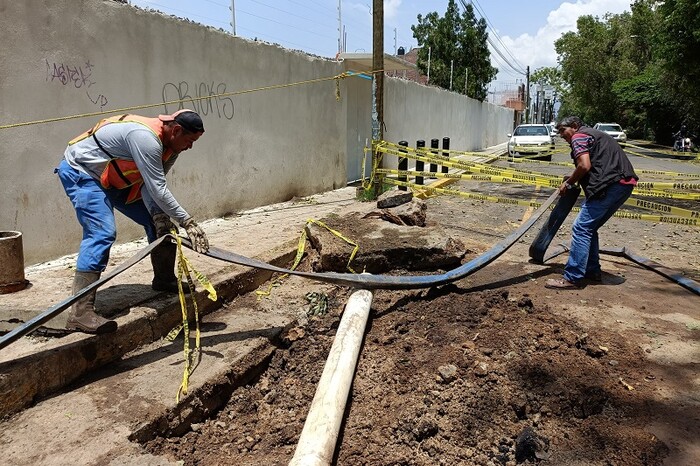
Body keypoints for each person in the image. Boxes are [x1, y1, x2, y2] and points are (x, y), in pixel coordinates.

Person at [55, 109, 210, 333]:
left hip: (112, 178)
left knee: (160, 224)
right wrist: (188, 221)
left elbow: (151, 186)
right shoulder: (145, 139)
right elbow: (159, 188)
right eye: (190, 140)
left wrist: (159, 216)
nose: (191, 146)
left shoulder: (172, 148)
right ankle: (79, 313)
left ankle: (164, 279)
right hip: (83, 172)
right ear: (176, 130)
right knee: (102, 233)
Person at [546, 116, 638, 289]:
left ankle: (572, 278)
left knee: (581, 228)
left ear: (574, 126)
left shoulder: (578, 136)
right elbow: (592, 164)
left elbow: (584, 166)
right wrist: (573, 177)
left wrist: (569, 182)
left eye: (562, 131)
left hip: (609, 186)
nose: (561, 136)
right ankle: (592, 270)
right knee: (589, 227)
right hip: (623, 184)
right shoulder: (594, 134)